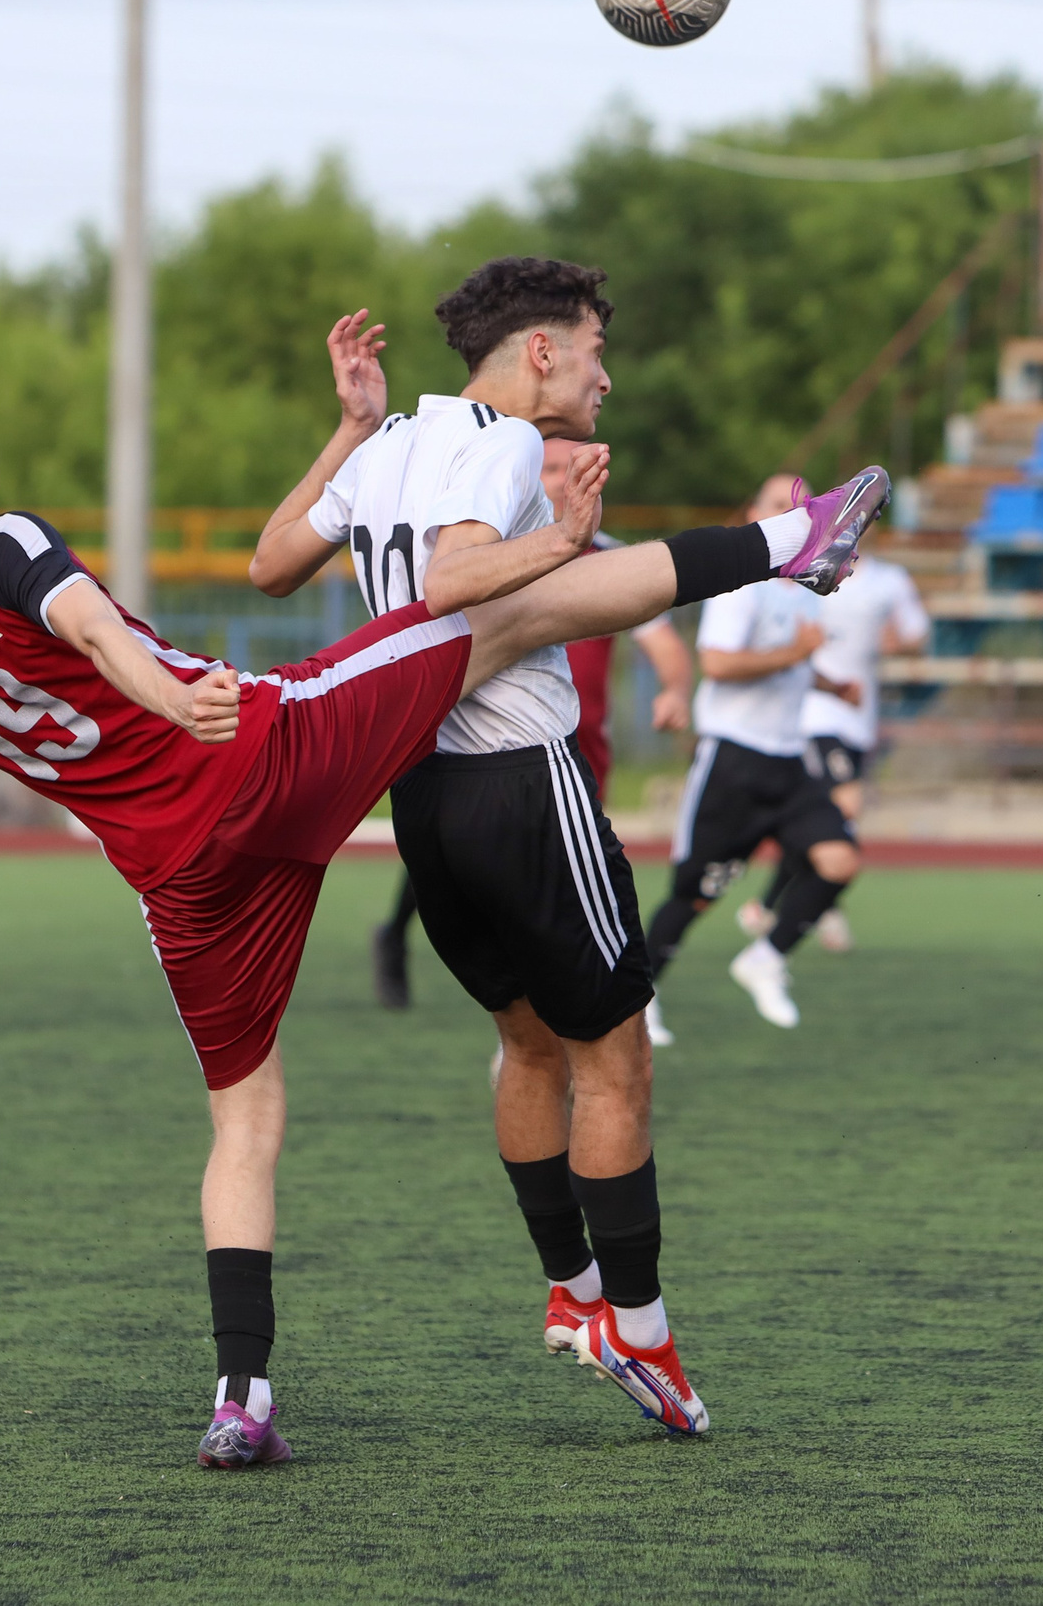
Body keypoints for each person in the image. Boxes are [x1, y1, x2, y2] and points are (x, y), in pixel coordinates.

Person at [0, 352, 886, 1467]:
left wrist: (63, 742)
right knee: (502, 616)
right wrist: (175, 703)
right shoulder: (0, 541)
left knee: (243, 1124)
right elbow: (96, 630)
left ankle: (241, 1398)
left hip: (175, 875)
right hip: (258, 752)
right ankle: (789, 546)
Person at [248, 260, 709, 1432]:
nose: (606, 373)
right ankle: (640, 1332)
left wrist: (347, 426)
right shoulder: (503, 442)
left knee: (529, 1049)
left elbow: (268, 564)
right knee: (615, 1061)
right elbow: (456, 577)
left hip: (421, 795)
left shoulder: (390, 440)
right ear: (540, 352)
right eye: (595, 347)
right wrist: (565, 538)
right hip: (519, 779)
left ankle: (569, 1288)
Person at [365, 435, 694, 1017]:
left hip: (580, 745)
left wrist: (675, 687)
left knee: (580, 871)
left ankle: (597, 986)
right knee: (470, 866)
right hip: (494, 750)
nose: (557, 480)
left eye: (571, 467)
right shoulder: (490, 558)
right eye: (547, 469)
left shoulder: (606, 553)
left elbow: (661, 637)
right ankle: (400, 934)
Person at [644, 473, 865, 1034]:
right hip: (733, 763)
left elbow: (791, 663)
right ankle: (637, 998)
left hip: (788, 761)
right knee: (693, 895)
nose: (793, 514)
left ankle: (764, 959)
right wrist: (797, 654)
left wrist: (829, 687)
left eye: (802, 506)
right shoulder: (741, 585)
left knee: (839, 859)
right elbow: (718, 664)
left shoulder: (807, 589)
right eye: (776, 505)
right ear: (753, 514)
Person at [736, 539, 927, 951]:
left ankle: (775, 907)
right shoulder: (812, 569)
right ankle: (794, 910)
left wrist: (898, 643)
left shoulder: (890, 580)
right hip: (815, 712)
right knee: (845, 806)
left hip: (859, 716)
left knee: (838, 823)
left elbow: (917, 633)